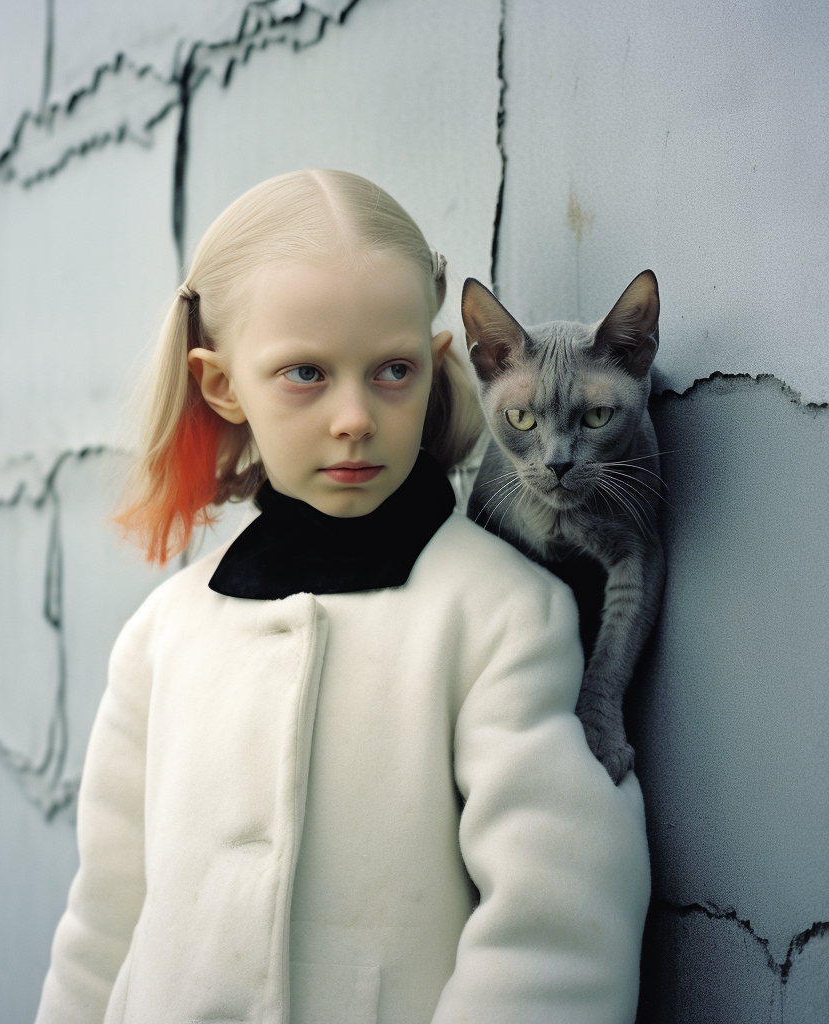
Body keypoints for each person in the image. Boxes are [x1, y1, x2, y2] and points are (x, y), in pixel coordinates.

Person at [34, 169, 650, 1024]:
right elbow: (102, 926)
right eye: (305, 373)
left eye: (392, 369)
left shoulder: (502, 617)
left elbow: (559, 926)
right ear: (222, 387)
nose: (355, 415)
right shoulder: (160, 638)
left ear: (438, 371)